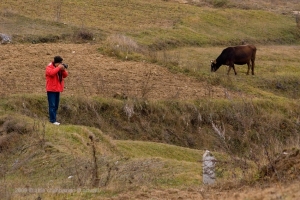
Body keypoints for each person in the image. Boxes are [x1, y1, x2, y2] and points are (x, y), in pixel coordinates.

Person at [45, 56, 68, 125]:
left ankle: (54, 120)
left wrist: (63, 69)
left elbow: (65, 75)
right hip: (51, 89)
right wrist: (58, 68)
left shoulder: (59, 69)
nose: (61, 64)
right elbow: (51, 73)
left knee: (56, 106)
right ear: (56, 63)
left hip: (57, 89)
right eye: (60, 63)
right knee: (52, 105)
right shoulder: (49, 67)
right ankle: (52, 120)